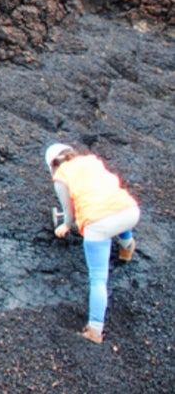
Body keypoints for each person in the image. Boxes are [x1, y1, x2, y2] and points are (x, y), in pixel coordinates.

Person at [45, 143, 140, 344]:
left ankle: (95, 330)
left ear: (52, 165)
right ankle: (126, 247)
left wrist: (66, 225)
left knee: (98, 279)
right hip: (130, 211)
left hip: (98, 224)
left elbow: (68, 211)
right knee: (118, 216)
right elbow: (106, 191)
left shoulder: (61, 176)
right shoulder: (92, 161)